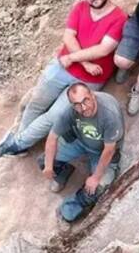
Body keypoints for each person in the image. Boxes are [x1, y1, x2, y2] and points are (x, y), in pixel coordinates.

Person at [0, 0, 128, 157]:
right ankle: (23, 144)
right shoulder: (80, 7)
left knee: (55, 116)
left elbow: (104, 49)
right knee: (37, 102)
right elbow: (68, 36)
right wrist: (83, 62)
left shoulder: (118, 17)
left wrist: (74, 59)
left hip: (88, 79)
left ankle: (18, 143)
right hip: (64, 65)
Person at [38, 83, 124, 222]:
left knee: (94, 190)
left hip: (103, 152)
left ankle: (67, 211)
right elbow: (52, 138)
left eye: (86, 100)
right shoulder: (71, 111)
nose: (83, 108)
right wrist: (48, 166)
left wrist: (96, 177)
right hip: (80, 143)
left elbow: (109, 150)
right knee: (44, 160)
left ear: (92, 95)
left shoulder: (109, 114)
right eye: (77, 104)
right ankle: (63, 174)